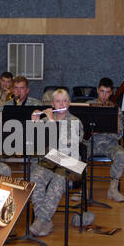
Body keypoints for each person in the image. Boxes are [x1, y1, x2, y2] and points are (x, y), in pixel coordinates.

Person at [28, 89, 84, 237]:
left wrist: (52, 122)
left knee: (58, 181)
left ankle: (40, 221)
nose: (62, 104)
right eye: (58, 101)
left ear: (69, 103)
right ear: (52, 104)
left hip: (70, 163)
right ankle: (46, 221)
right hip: (50, 161)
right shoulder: (46, 120)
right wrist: (34, 124)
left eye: (65, 101)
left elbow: (67, 145)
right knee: (34, 178)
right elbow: (35, 144)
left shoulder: (75, 121)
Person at [86, 77, 124, 202]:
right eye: (102, 91)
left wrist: (103, 129)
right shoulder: (88, 106)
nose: (104, 95)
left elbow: (119, 134)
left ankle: (113, 189)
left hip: (109, 143)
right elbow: (79, 128)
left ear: (111, 93)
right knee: (77, 156)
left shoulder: (116, 110)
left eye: (108, 92)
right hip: (89, 142)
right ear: (98, 90)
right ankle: (84, 190)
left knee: (122, 156)